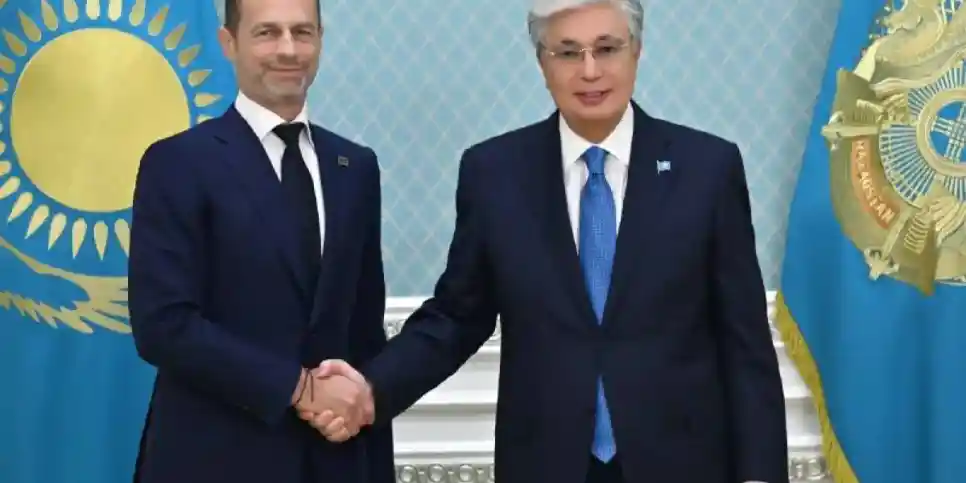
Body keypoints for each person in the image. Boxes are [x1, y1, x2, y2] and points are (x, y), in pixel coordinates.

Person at [311, 0, 790, 482]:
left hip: (683, 464)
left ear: (637, 50)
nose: (589, 70)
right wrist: (371, 389)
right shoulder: (494, 174)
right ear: (542, 62)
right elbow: (457, 317)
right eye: (568, 52)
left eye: (606, 48)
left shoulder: (707, 169)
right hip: (545, 462)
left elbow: (745, 343)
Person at [126, 0, 392, 482]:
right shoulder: (178, 163)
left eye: (302, 33)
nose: (288, 50)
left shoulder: (355, 167)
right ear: (229, 43)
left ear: (320, 41)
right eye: (267, 33)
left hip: (335, 458)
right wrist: (298, 387)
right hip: (213, 459)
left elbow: (364, 330)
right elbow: (162, 324)